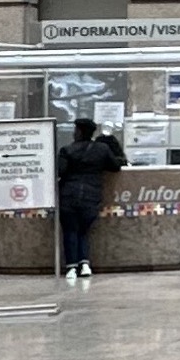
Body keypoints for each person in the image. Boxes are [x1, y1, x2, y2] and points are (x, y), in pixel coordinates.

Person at [57, 118, 125, 279]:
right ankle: (85, 264)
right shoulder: (102, 149)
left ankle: (72, 267)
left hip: (69, 195)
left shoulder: (67, 150)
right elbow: (115, 166)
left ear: (79, 132)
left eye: (75, 130)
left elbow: (61, 170)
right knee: (84, 231)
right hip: (91, 195)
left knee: (70, 231)